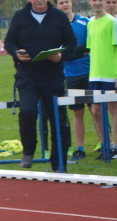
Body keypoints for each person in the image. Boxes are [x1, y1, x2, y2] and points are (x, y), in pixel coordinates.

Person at [5, 0, 77, 170]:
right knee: (28, 111)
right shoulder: (20, 16)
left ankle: (59, 163)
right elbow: (9, 42)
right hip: (27, 75)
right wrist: (16, 53)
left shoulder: (58, 16)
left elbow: (71, 42)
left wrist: (61, 55)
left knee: (58, 118)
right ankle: (28, 151)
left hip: (53, 76)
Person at [57, 0, 96, 160]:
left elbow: (90, 45)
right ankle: (80, 149)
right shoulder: (57, 26)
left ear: (71, 3)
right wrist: (74, 53)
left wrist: (71, 52)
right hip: (71, 75)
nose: (65, 5)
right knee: (77, 112)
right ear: (57, 6)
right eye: (61, 3)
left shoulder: (84, 22)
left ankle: (105, 144)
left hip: (90, 72)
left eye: (66, 1)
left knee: (96, 111)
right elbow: (61, 54)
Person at [86, 0, 117, 160]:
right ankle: (106, 145)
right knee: (96, 111)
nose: (97, 3)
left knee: (114, 109)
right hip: (94, 75)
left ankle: (116, 146)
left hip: (110, 74)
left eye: (100, 0)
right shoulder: (90, 23)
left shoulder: (112, 22)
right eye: (94, 0)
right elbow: (92, 49)